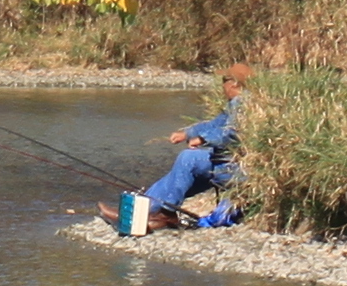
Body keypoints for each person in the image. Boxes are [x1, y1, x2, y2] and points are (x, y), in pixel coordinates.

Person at [109, 67, 254, 234]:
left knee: (188, 159)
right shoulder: (235, 103)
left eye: (224, 82)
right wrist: (186, 134)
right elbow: (213, 125)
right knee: (180, 173)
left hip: (238, 168)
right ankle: (142, 209)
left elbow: (234, 134)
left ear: (234, 83)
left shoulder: (243, 103)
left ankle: (165, 214)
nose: (222, 87)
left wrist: (203, 139)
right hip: (226, 161)